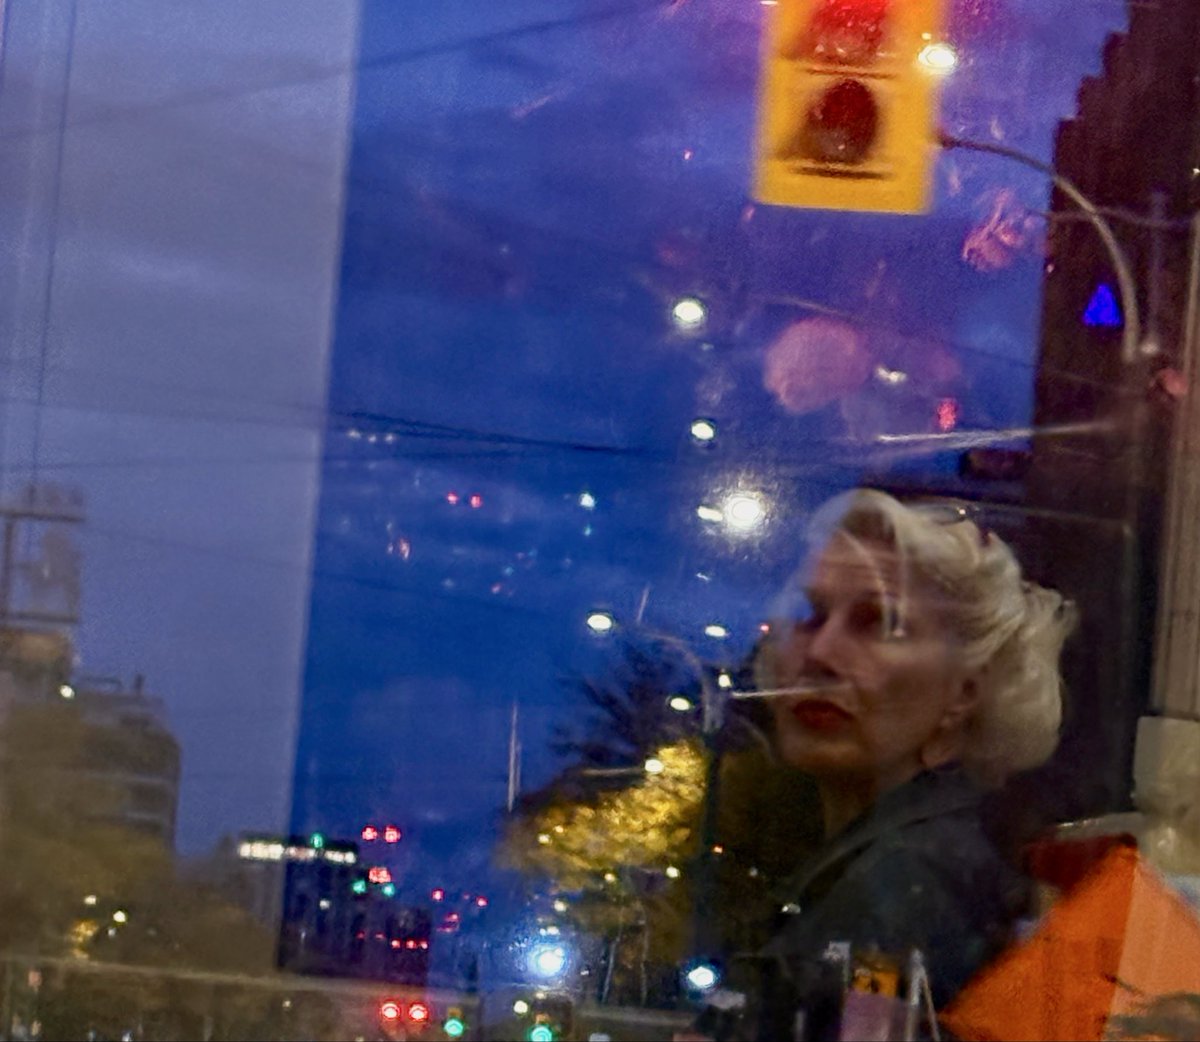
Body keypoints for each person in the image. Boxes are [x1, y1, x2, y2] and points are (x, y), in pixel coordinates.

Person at [687, 489, 1076, 1042]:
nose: (819, 652)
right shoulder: (881, 868)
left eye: (877, 622)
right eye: (811, 614)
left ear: (965, 691)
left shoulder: (907, 891)